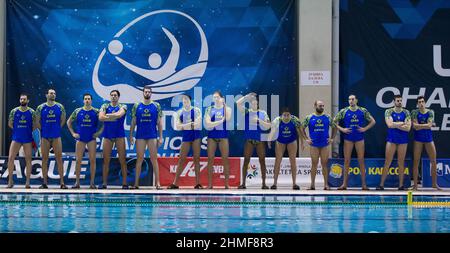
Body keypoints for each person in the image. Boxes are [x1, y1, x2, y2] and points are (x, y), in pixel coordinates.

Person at [333, 95, 376, 190]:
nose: (351, 101)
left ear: (356, 100)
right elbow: (333, 122)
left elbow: (373, 121)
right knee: (346, 161)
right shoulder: (344, 111)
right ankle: (344, 184)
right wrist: (342, 129)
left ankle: (364, 184)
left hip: (359, 139)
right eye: (349, 99)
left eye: (352, 99)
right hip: (348, 139)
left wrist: (365, 128)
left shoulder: (363, 110)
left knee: (361, 160)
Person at [129, 86, 163, 189]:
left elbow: (159, 123)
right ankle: (136, 184)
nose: (147, 93)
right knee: (139, 159)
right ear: (143, 93)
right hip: (140, 136)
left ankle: (158, 183)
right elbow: (133, 122)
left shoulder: (156, 105)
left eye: (149, 92)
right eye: (146, 92)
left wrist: (161, 137)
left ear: (151, 93)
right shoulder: (137, 105)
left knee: (154, 159)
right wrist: (130, 135)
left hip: (152, 136)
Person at [67, 93, 103, 189]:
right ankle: (77, 183)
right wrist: (73, 133)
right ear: (83, 100)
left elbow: (105, 122)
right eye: (85, 99)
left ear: (91, 100)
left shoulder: (96, 111)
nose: (87, 100)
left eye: (89, 99)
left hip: (91, 139)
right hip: (80, 139)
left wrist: (99, 132)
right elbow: (68, 122)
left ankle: (92, 183)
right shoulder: (77, 111)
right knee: (78, 160)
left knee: (92, 160)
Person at [236, 93, 271, 189]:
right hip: (249, 140)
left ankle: (264, 184)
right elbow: (237, 103)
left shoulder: (263, 113)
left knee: (262, 161)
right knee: (246, 160)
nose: (254, 105)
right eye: (252, 103)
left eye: (255, 103)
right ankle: (243, 183)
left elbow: (269, 125)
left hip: (259, 140)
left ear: (258, 104)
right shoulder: (247, 112)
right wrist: (246, 97)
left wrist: (259, 121)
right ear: (250, 104)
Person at [167, 94, 203, 189]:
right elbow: (177, 127)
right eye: (183, 100)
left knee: (196, 159)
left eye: (186, 100)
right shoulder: (179, 112)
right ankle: (175, 183)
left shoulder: (196, 110)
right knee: (181, 159)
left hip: (196, 136)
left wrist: (185, 125)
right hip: (186, 136)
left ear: (190, 101)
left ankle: (198, 183)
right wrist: (191, 124)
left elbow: (198, 124)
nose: (185, 101)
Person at [377, 95, 411, 190]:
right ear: (394, 102)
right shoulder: (389, 111)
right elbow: (389, 125)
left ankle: (401, 185)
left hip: (403, 141)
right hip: (391, 140)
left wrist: (395, 124)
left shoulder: (406, 112)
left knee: (401, 163)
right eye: (397, 100)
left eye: (400, 100)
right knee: (387, 162)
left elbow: (408, 128)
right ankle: (381, 185)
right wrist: (402, 123)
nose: (399, 102)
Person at [300, 100, 337, 190]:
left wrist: (332, 138)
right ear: (315, 106)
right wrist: (306, 139)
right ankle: (312, 185)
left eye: (323, 106)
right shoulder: (309, 117)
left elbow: (335, 127)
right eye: (320, 106)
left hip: (324, 144)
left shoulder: (327, 117)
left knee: (324, 164)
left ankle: (326, 185)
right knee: (314, 164)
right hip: (314, 145)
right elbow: (301, 128)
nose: (322, 107)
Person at [35, 88, 67, 189]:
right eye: (50, 93)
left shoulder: (60, 107)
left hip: (56, 136)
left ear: (55, 95)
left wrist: (57, 129)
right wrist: (43, 130)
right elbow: (37, 121)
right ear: (46, 95)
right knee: (44, 159)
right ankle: (44, 183)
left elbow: (63, 119)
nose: (52, 95)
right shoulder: (41, 107)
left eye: (54, 93)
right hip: (45, 137)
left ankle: (62, 183)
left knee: (59, 159)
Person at [99, 90, 128, 189]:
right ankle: (104, 183)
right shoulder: (105, 106)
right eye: (111, 95)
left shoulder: (123, 106)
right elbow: (100, 118)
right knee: (106, 160)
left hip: (119, 135)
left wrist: (107, 116)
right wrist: (113, 117)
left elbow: (120, 115)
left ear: (118, 97)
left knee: (122, 160)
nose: (113, 97)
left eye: (115, 95)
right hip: (108, 135)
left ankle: (124, 183)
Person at [268, 107, 303, 190]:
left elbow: (299, 131)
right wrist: (269, 140)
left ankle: (294, 183)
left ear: (290, 115)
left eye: (288, 115)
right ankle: (274, 183)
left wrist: (302, 142)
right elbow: (272, 131)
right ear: (281, 115)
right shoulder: (277, 120)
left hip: (292, 141)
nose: (286, 117)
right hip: (280, 141)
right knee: (278, 161)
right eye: (284, 115)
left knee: (293, 161)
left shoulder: (295, 120)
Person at [411, 96, 440, 190]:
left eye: (423, 101)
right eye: (419, 102)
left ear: (425, 102)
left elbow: (429, 125)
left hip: (428, 139)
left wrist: (420, 125)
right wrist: (426, 125)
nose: (421, 103)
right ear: (417, 104)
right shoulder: (414, 112)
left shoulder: (431, 112)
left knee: (434, 161)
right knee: (416, 162)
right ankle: (415, 185)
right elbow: (415, 127)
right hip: (418, 139)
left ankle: (434, 184)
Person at [6, 94, 35, 188]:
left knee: (28, 160)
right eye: (21, 99)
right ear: (19, 100)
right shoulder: (14, 111)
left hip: (27, 139)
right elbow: (10, 123)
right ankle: (10, 181)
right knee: (10, 158)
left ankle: (27, 182)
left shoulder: (32, 112)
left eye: (24, 99)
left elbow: (35, 125)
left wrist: (28, 130)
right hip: (16, 138)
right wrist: (17, 130)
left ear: (28, 101)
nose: (22, 100)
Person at [204, 91, 232, 189]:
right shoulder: (209, 109)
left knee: (225, 159)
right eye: (214, 97)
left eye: (217, 97)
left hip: (223, 137)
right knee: (210, 159)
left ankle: (226, 184)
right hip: (212, 137)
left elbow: (228, 118)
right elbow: (207, 123)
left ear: (222, 98)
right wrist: (220, 121)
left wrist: (224, 106)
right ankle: (210, 184)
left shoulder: (227, 108)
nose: (216, 99)